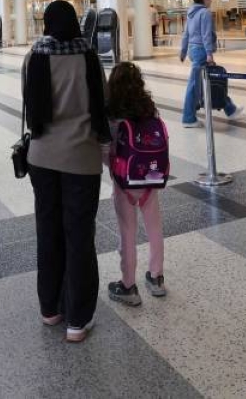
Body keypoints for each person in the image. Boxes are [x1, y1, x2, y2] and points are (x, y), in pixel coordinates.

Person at [23, 0, 110, 344]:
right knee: (79, 237)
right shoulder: (87, 55)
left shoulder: (35, 55)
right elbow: (102, 103)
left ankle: (50, 309)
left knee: (48, 231)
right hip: (81, 160)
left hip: (42, 157)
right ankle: (78, 319)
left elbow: (30, 104)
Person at [104, 62, 167, 307]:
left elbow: (105, 149)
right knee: (155, 228)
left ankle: (128, 285)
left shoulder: (112, 113)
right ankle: (156, 277)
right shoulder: (149, 108)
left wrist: (112, 165)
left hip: (124, 183)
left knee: (127, 233)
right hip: (150, 179)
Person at [179, 0, 242, 128]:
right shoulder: (205, 13)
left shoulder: (190, 13)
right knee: (195, 85)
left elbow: (186, 34)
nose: (211, 0)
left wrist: (183, 51)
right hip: (202, 51)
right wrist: (209, 53)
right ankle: (188, 118)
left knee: (214, 80)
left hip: (193, 50)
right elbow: (206, 34)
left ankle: (230, 109)